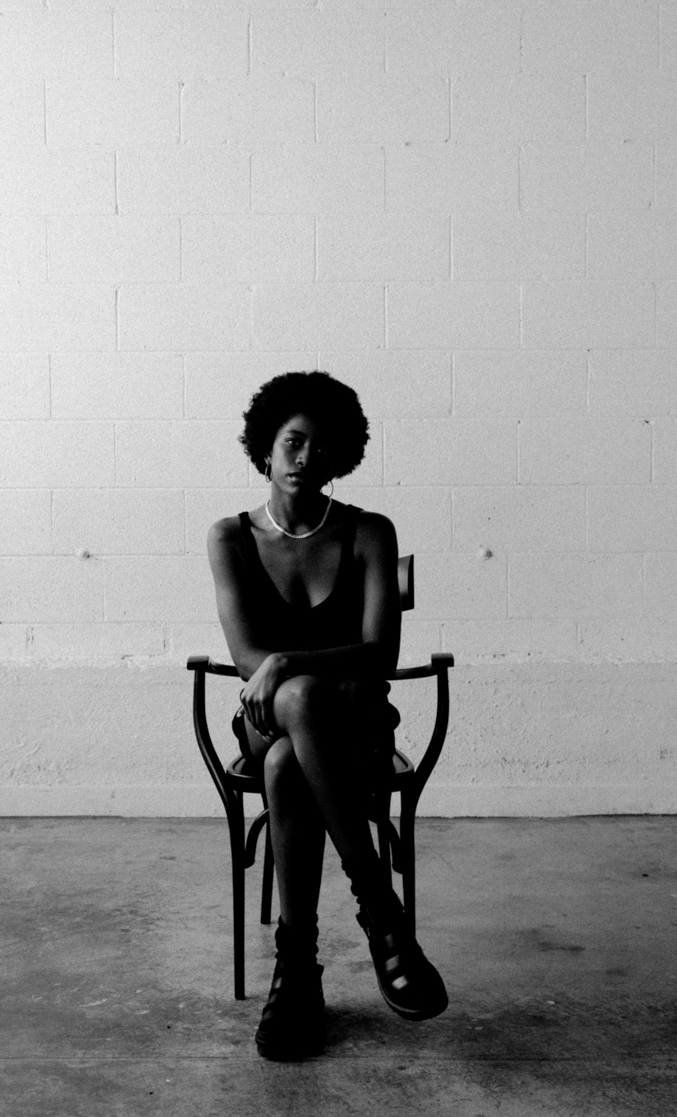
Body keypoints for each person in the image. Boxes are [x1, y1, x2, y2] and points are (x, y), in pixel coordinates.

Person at [206, 370, 447, 1060]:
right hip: (266, 715)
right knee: (297, 704)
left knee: (290, 757)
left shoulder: (368, 531)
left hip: (354, 724)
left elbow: (378, 653)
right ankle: (381, 912)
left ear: (341, 456)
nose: (305, 457)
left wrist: (286, 661)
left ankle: (296, 972)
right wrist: (280, 670)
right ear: (265, 447)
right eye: (293, 441)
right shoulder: (229, 537)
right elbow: (246, 657)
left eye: (321, 446)